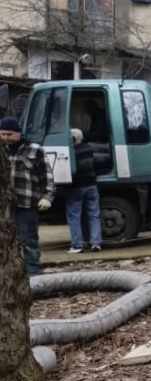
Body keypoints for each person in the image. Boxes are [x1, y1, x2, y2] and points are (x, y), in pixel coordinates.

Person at [1, 116, 54, 276]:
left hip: (27, 205)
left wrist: (47, 197)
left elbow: (47, 177)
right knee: (7, 243)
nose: (5, 138)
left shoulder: (35, 150)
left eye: (9, 134)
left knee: (28, 242)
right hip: (4, 208)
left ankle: (35, 277)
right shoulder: (1, 151)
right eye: (2, 134)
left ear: (18, 133)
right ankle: (12, 278)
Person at [66, 128, 101, 253]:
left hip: (76, 187)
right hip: (92, 185)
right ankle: (96, 243)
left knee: (74, 216)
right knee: (94, 215)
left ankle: (77, 245)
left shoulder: (71, 152)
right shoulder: (89, 149)